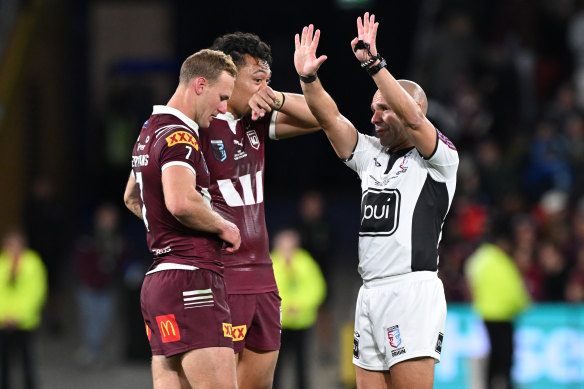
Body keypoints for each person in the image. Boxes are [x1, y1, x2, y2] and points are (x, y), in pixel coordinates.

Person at [293, 13, 459, 389]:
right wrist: (308, 79)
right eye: (372, 108)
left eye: (384, 108)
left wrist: (374, 65)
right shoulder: (370, 155)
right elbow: (329, 117)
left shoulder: (439, 160)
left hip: (411, 291)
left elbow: (414, 119)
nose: (375, 116)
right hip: (368, 292)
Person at [199, 32, 320, 389]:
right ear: (227, 77)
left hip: (264, 276)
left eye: (269, 80)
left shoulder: (256, 122)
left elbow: (321, 117)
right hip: (221, 274)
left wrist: (279, 98)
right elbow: (141, 189)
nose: (264, 88)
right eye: (257, 80)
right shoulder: (196, 126)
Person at [123, 48, 241, 389]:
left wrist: (165, 231)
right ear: (199, 85)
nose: (223, 108)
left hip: (159, 283)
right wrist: (223, 227)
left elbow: (133, 196)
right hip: (193, 282)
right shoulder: (181, 135)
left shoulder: (149, 130)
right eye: (221, 97)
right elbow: (180, 201)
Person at [465, 228, 531, 389]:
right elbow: (513, 287)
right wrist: (523, 304)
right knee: (505, 357)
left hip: (485, 313)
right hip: (504, 314)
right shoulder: (502, 260)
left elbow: (470, 284)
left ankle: (489, 384)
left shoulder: (476, 260)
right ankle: (506, 384)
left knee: (491, 357)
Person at [71, 203, 128, 367]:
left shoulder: (118, 240)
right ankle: (92, 351)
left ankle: (95, 350)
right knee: (90, 319)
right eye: (105, 217)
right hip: (87, 287)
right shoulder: (88, 237)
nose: (108, 221)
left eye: (112, 218)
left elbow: (123, 261)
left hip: (108, 288)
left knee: (104, 321)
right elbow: (79, 262)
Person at [271, 229, 326, 389]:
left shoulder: (305, 262)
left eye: (290, 245)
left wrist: (299, 305)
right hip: (277, 324)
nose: (287, 249)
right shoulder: (271, 262)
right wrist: (285, 306)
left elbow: (317, 289)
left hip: (302, 322)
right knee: (275, 365)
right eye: (283, 245)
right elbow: (268, 291)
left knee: (302, 362)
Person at [0, 229, 47, 389]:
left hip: (25, 321)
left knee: (27, 358)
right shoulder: (2, 263)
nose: (13, 248)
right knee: (3, 360)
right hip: (3, 321)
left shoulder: (33, 264)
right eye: (10, 244)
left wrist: (19, 316)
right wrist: (3, 316)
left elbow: (36, 293)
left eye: (17, 244)